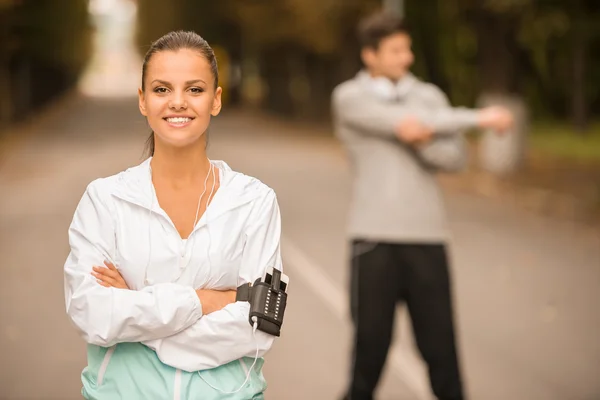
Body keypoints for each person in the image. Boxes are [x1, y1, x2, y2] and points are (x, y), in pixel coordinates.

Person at [64, 31, 282, 400]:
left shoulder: (255, 201)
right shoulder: (104, 199)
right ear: (143, 101)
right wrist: (206, 301)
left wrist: (137, 307)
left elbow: (257, 327)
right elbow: (92, 313)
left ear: (215, 100)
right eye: (162, 89)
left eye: (194, 90)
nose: (178, 102)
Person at [332, 12, 513, 400]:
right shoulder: (349, 97)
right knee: (369, 354)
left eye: (408, 48)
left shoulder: (429, 97)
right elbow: (397, 122)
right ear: (370, 55)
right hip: (372, 239)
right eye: (396, 50)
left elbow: (456, 158)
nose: (407, 57)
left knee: (441, 352)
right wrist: (478, 118)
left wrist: (424, 139)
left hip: (428, 239)